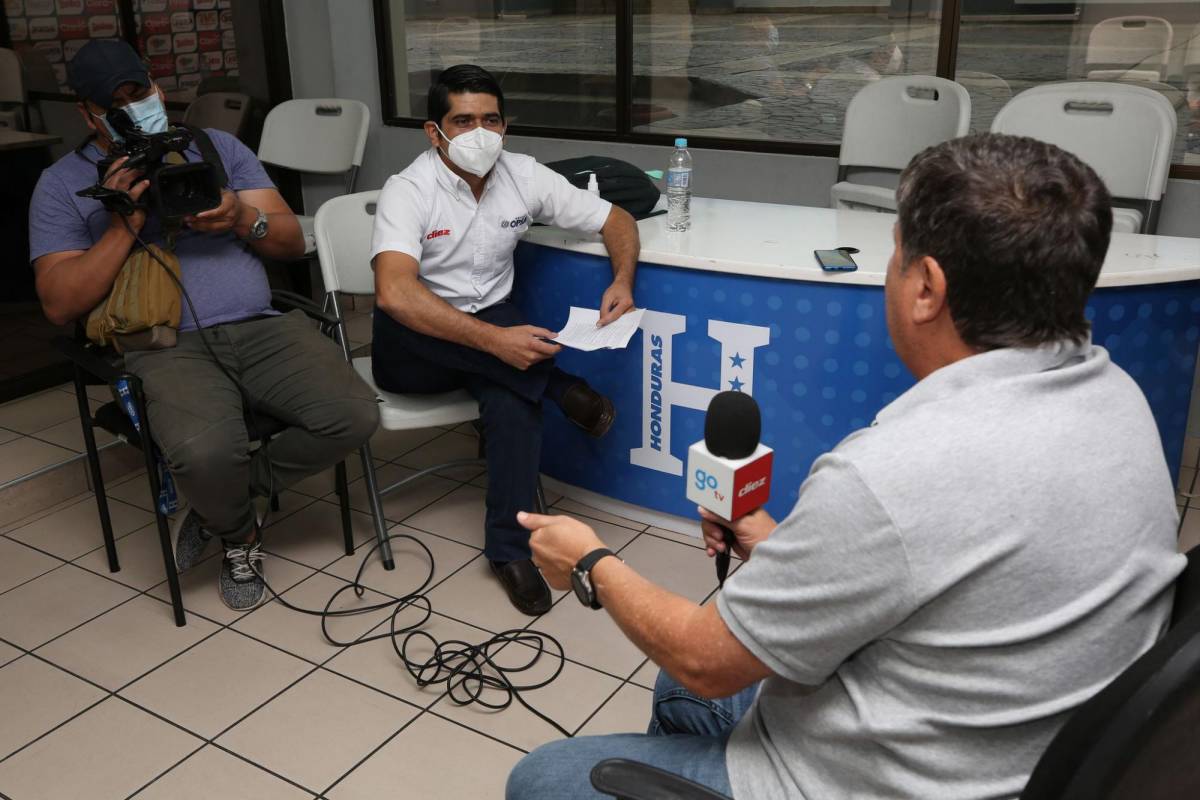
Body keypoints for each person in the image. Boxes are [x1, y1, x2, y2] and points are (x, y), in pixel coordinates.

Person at [505, 133, 1187, 799]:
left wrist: (592, 564)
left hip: (876, 779)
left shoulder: (892, 471)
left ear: (926, 288)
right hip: (1008, 748)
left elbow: (707, 659)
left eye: (894, 256)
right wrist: (776, 545)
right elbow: (947, 564)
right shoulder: (1120, 398)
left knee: (541, 777)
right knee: (675, 691)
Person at [28, 40, 379, 611]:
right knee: (203, 455)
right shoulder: (62, 185)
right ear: (87, 112)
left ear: (156, 88)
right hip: (164, 343)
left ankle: (228, 502)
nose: (134, 105)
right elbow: (59, 305)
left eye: (139, 91)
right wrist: (122, 224)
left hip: (260, 325)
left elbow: (291, 242)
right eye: (114, 101)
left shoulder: (217, 147)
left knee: (355, 414)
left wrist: (243, 217)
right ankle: (239, 535)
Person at [370, 64, 641, 616]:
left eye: (489, 120)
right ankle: (561, 387)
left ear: (505, 126)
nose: (479, 133)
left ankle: (509, 552)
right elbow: (396, 294)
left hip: (495, 320)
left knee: (513, 402)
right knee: (492, 351)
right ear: (434, 131)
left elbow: (616, 219)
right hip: (413, 344)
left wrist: (622, 280)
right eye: (462, 120)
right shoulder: (409, 190)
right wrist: (495, 343)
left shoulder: (523, 173)